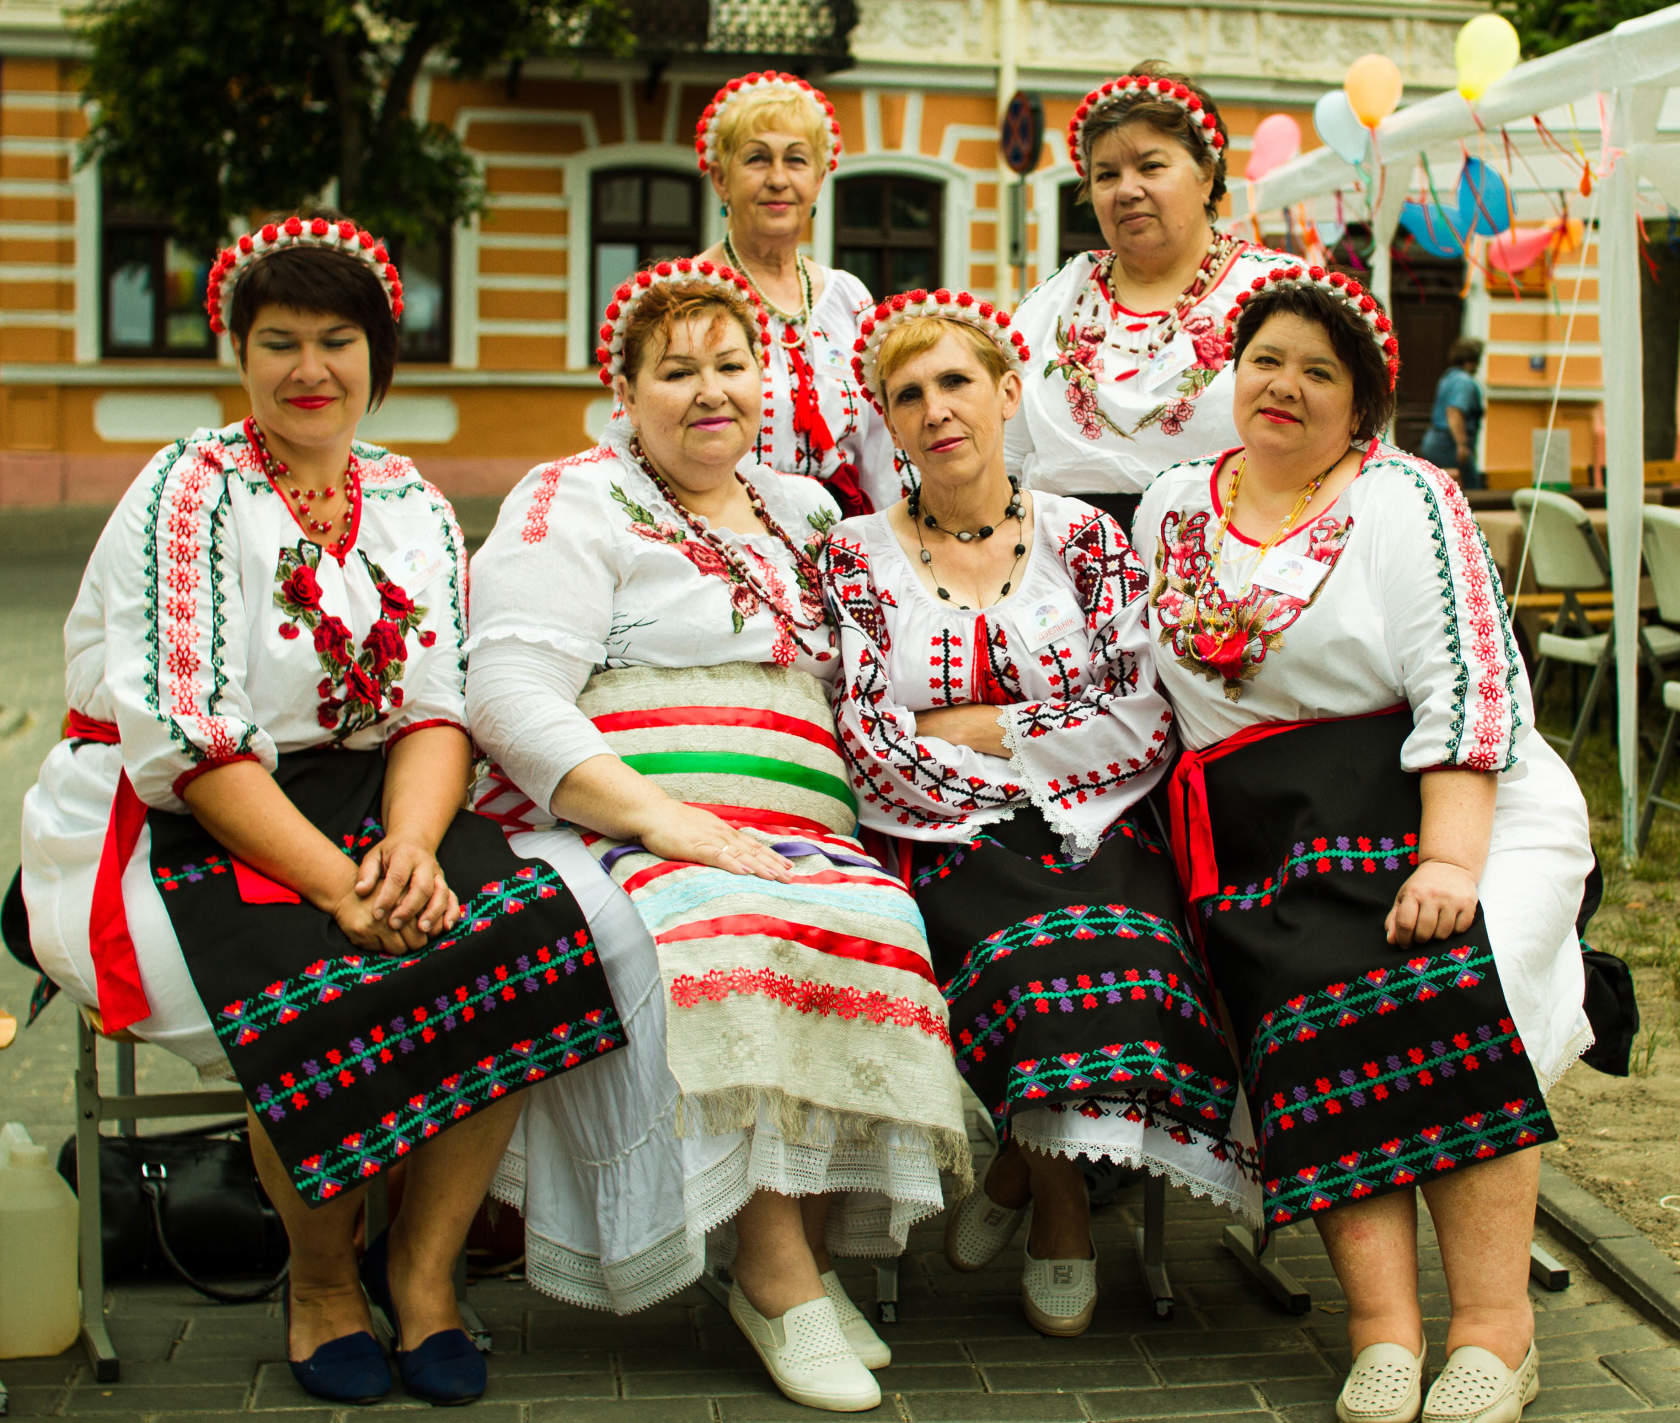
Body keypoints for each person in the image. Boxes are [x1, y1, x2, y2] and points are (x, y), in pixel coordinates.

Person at [14, 214, 624, 1408]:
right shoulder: (188, 487)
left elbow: (438, 707)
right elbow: (189, 739)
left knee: (527, 933)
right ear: (238, 355)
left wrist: (404, 844)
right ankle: (322, 1280)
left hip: (373, 790)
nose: (309, 370)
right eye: (278, 340)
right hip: (187, 804)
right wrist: (344, 884)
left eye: (337, 341)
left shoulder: (407, 496)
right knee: (337, 977)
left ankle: (426, 1269)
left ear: (378, 356)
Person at [466, 258, 970, 1414]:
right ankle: (778, 1279)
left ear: (767, 377)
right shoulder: (575, 500)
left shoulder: (802, 512)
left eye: (732, 365)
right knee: (736, 927)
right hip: (627, 825)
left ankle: (802, 1248)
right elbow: (506, 690)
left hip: (793, 829)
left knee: (873, 912)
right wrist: (662, 818)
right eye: (676, 370)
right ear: (626, 390)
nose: (710, 392)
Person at [1133, 264, 1593, 1423]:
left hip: (1448, 796)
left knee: (1450, 973)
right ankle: (1382, 1331)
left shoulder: (1406, 498)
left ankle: (1495, 1333)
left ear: (1363, 403)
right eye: (1266, 361)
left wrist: (1447, 860)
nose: (1284, 386)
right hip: (1275, 830)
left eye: (1318, 372)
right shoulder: (1174, 504)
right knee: (1305, 997)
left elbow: (1472, 689)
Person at [819, 289, 1256, 1339]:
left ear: (1010, 392)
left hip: (1103, 812)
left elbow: (1141, 703)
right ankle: (1062, 1206)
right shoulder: (855, 555)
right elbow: (869, 734)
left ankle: (1021, 1165)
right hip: (933, 835)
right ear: (889, 420)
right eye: (908, 394)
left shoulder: (1085, 541)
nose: (936, 409)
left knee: (1141, 951)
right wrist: (1011, 757)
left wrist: (989, 731)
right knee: (1027, 956)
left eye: (957, 381)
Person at [1006, 64, 1295, 532]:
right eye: (1105, 175)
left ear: (1206, 175)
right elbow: (1005, 451)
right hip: (1064, 571)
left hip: (1226, 564)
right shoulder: (1052, 300)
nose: (1127, 190)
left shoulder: (1279, 293)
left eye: (1151, 166)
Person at [694, 70, 901, 516]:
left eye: (796, 160)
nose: (777, 179)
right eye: (756, 159)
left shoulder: (848, 298)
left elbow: (882, 449)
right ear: (720, 179)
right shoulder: (687, 295)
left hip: (843, 539)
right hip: (729, 534)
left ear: (820, 179)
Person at [1418, 339, 1487, 490]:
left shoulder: (1448, 378)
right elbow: (1454, 412)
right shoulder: (1464, 382)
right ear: (1471, 361)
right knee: (1470, 491)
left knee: (1438, 491)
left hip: (1434, 443)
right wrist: (1461, 445)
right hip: (1449, 446)